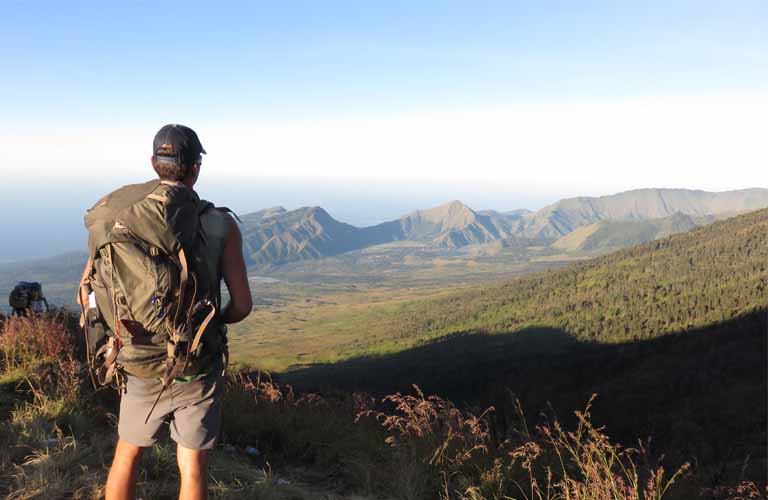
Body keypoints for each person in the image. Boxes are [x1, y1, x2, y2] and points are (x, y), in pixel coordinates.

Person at [100, 125, 253, 500]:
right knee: (193, 467)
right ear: (196, 168)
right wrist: (209, 324)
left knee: (128, 454)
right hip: (196, 363)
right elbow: (242, 305)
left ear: (155, 163)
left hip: (138, 356)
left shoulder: (119, 216)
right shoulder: (220, 224)